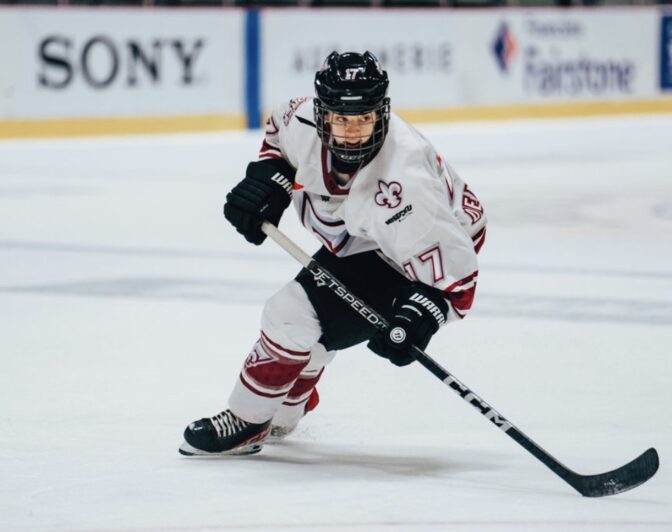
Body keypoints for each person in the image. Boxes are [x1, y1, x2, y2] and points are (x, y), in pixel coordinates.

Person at [179, 51, 487, 456]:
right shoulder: (300, 118)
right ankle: (289, 408)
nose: (353, 133)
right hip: (363, 237)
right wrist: (270, 181)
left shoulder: (404, 187)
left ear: (383, 113)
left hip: (419, 251)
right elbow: (277, 139)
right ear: (321, 113)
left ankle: (248, 420)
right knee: (312, 337)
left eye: (364, 119)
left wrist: (422, 313)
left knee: (290, 315)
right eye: (341, 120)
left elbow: (456, 279)